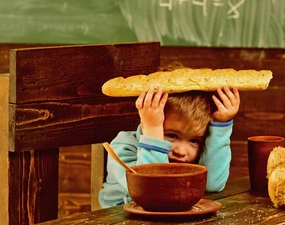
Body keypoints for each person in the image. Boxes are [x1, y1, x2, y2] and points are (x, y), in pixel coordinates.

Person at [99, 86, 240, 208]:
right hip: (119, 223)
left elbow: (212, 185)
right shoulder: (123, 147)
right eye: (172, 136)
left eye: (195, 141)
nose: (181, 151)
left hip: (171, 219)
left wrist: (221, 126)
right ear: (145, 122)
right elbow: (152, 191)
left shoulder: (202, 151)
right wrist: (153, 130)